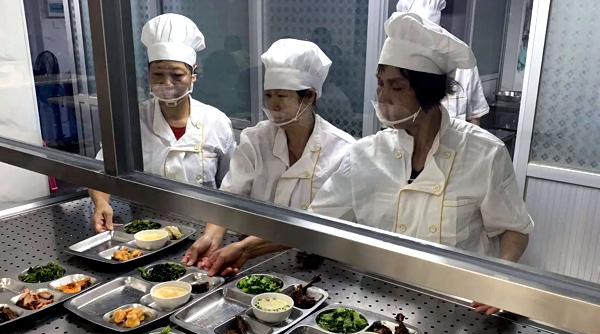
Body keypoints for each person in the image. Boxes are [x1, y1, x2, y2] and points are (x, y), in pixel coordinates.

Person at [310, 13, 533, 315]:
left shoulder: (484, 153)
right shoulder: (364, 155)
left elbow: (514, 229)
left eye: (397, 86)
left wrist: (502, 278)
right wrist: (254, 242)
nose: (383, 97)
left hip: (456, 307)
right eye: (380, 84)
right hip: (377, 304)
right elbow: (315, 221)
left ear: (428, 90)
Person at [182, 38, 355, 275]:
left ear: (309, 97)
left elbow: (318, 223)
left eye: (281, 96)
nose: (273, 104)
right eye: (269, 95)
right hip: (253, 261)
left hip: (319, 268)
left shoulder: (343, 150)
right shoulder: (256, 139)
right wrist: (211, 238)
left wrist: (245, 248)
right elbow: (230, 199)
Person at [89, 14, 236, 233]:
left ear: (194, 74)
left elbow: (231, 186)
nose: (167, 84)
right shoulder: (133, 120)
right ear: (148, 74)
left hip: (204, 230)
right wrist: (101, 203)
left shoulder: (216, 122)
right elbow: (103, 168)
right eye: (158, 74)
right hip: (146, 230)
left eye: (177, 75)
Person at [396, 0, 489, 125]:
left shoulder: (462, 61)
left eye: (431, 35)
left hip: (454, 137)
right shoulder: (397, 63)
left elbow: (475, 115)